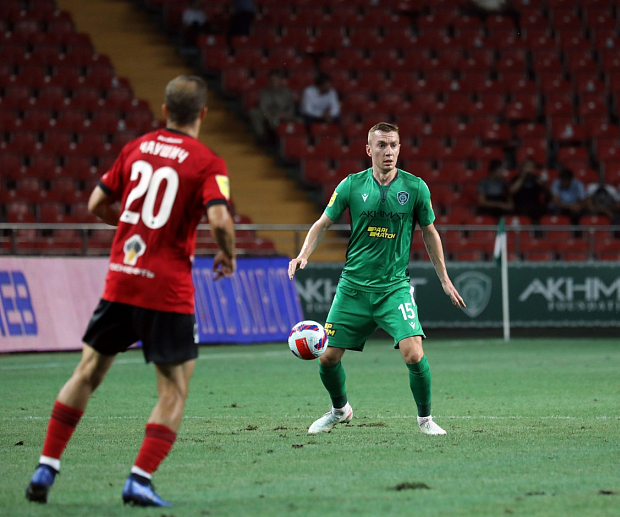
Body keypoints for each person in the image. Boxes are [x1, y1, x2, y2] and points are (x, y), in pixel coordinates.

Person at [25, 76, 236, 507]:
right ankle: (139, 478)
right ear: (203, 114)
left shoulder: (135, 148)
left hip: (122, 277)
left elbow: (96, 204)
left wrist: (130, 224)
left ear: (165, 110)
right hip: (167, 290)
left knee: (87, 372)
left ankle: (46, 465)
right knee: (173, 390)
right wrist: (228, 255)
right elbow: (218, 220)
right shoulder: (207, 162)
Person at [288, 122, 465, 436]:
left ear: (400, 148)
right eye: (382, 145)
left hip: (393, 289)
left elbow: (430, 233)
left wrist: (445, 279)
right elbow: (322, 223)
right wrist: (303, 255)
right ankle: (340, 410)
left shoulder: (415, 188)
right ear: (369, 149)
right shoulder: (351, 185)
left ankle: (425, 420)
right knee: (327, 358)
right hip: (352, 288)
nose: (389, 151)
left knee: (414, 353)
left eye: (394, 145)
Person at [248, 70, 297, 144]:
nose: (274, 82)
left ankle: (291, 142)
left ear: (280, 81)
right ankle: (262, 136)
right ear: (269, 81)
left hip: (283, 115)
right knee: (254, 112)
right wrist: (270, 116)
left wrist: (280, 115)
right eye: (272, 80)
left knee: (299, 120)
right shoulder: (263, 92)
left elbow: (291, 111)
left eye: (276, 80)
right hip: (268, 115)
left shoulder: (287, 93)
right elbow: (263, 109)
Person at [508, 158, 550, 224]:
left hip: (535, 207)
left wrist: (541, 184)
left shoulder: (537, 179)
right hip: (520, 206)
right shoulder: (516, 178)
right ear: (523, 167)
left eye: (531, 167)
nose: (528, 169)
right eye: (527, 166)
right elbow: (511, 191)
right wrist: (522, 177)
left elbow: (546, 192)